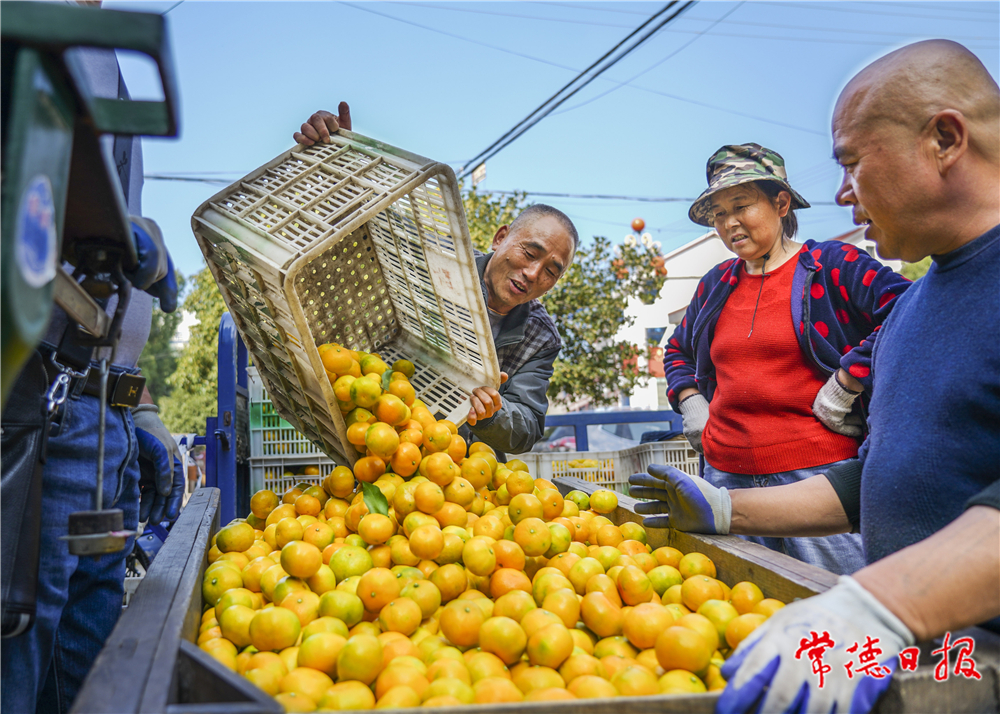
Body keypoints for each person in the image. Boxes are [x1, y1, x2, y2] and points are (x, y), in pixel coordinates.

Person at [630, 39, 999, 714]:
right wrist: (728, 507)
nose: (842, 191)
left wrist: (880, 603)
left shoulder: (838, 272)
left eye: (853, 163)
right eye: (719, 211)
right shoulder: (917, 306)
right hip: (918, 656)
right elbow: (888, 473)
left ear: (945, 139)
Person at [0, 19, 184, 714]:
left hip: (94, 408)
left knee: (93, 648)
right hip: (27, 395)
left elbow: (112, 277)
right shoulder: (23, 23)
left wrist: (134, 403)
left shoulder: (108, 60)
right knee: (21, 641)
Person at [659, 143, 910, 575]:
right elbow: (677, 349)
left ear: (781, 202)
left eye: (741, 205)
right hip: (725, 482)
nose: (729, 223)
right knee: (744, 613)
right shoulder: (716, 285)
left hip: (818, 486)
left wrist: (848, 380)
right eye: (718, 213)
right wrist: (690, 401)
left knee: (834, 616)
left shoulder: (833, 265)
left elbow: (907, 308)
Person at [295, 107, 578, 456]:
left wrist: (492, 413)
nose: (534, 274)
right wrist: (339, 165)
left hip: (462, 476)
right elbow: (365, 236)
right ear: (500, 237)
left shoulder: (541, 337)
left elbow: (528, 426)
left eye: (552, 270)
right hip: (382, 443)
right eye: (530, 253)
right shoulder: (440, 264)